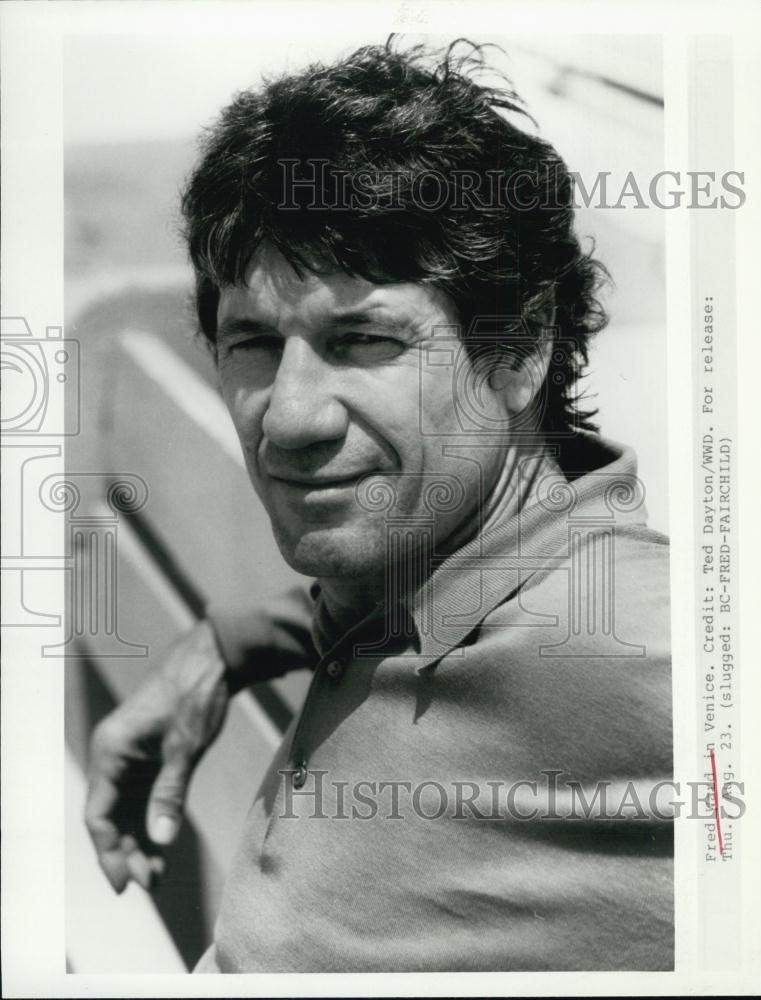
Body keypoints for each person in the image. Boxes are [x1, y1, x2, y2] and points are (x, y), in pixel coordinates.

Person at [85, 38, 672, 971]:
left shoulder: (643, 646)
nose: (289, 417)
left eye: (363, 339)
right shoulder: (422, 569)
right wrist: (229, 647)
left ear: (518, 352)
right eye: (251, 343)